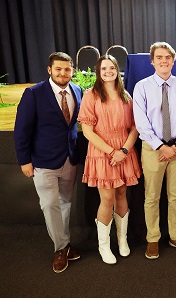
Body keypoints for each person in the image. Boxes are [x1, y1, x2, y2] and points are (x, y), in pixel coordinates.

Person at [14, 52, 82, 273]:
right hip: (43, 161)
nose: (63, 73)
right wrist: (24, 160)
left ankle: (65, 243)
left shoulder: (78, 91)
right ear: (49, 70)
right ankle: (61, 248)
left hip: (69, 159)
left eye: (67, 69)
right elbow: (21, 130)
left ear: (72, 70)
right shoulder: (33, 94)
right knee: (49, 205)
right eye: (59, 69)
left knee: (65, 203)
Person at [78, 55, 141, 264]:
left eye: (111, 68)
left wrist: (123, 150)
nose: (108, 71)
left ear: (117, 70)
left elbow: (134, 128)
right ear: (98, 72)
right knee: (107, 199)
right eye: (104, 68)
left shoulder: (126, 96)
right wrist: (112, 152)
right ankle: (103, 246)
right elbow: (87, 131)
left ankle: (122, 240)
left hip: (124, 151)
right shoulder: (91, 95)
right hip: (102, 152)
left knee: (122, 194)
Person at [133, 42, 176, 259]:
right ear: (152, 61)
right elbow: (141, 122)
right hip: (153, 149)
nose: (163, 61)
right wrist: (161, 146)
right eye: (159, 57)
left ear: (173, 60)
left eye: (167, 57)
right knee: (152, 196)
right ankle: (153, 238)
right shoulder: (142, 87)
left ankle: (175, 235)